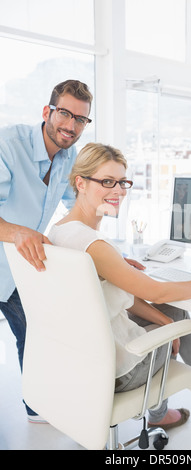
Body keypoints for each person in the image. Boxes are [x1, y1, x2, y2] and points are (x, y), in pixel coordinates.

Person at [48, 143, 191, 430]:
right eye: (107, 182)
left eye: (122, 182)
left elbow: (114, 296)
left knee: (169, 313)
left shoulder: (60, 232)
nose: (118, 191)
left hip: (84, 361)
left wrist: (161, 317)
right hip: (119, 372)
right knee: (175, 309)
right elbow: (156, 292)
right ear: (81, 183)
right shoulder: (95, 245)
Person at [0, 79, 93, 421]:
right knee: (34, 331)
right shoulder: (8, 145)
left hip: (21, 265)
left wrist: (102, 251)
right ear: (47, 111)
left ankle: (38, 405)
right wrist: (16, 231)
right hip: (6, 256)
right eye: (64, 114)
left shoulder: (72, 158)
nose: (70, 125)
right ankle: (39, 405)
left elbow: (79, 209)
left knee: (38, 332)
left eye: (80, 119)